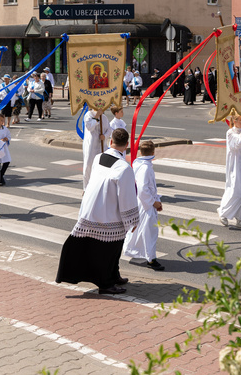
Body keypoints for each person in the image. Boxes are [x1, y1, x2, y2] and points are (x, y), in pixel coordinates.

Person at [56, 128, 139, 295]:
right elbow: (126, 197)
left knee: (113, 247)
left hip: (91, 207)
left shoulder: (99, 157)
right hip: (108, 213)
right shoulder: (124, 168)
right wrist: (132, 220)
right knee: (108, 249)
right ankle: (106, 284)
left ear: (110, 142)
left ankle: (114, 275)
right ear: (127, 145)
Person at [123, 140, 164, 271]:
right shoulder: (145, 167)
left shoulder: (138, 164)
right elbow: (142, 189)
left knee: (139, 229)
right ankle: (151, 259)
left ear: (141, 152)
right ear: (153, 152)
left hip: (141, 202)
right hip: (146, 204)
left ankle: (132, 249)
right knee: (150, 232)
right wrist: (154, 202)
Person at [83, 108, 110, 189]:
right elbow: (89, 127)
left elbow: (109, 129)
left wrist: (105, 136)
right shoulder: (89, 115)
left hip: (102, 145)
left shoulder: (104, 117)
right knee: (89, 165)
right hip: (91, 146)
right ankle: (86, 188)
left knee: (102, 165)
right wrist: (97, 116)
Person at [0, 113, 12, 187]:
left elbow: (9, 136)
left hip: (4, 148)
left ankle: (1, 175)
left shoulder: (5, 128)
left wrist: (6, 139)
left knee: (7, 161)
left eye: (3, 120)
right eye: (1, 120)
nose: (2, 121)